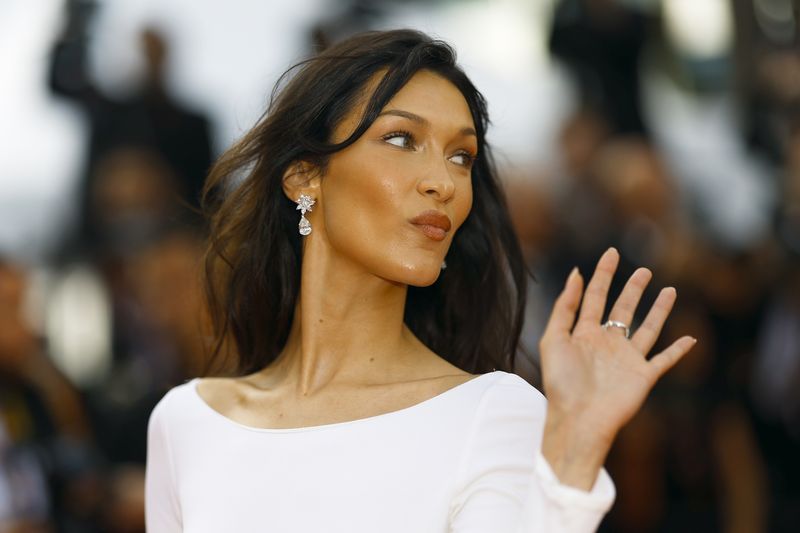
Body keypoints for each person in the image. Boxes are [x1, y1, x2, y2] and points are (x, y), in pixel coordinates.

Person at [144, 30, 695, 532]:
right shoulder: (186, 423)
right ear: (304, 174)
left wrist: (573, 455)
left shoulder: (492, 412)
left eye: (462, 156)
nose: (444, 182)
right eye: (403, 139)